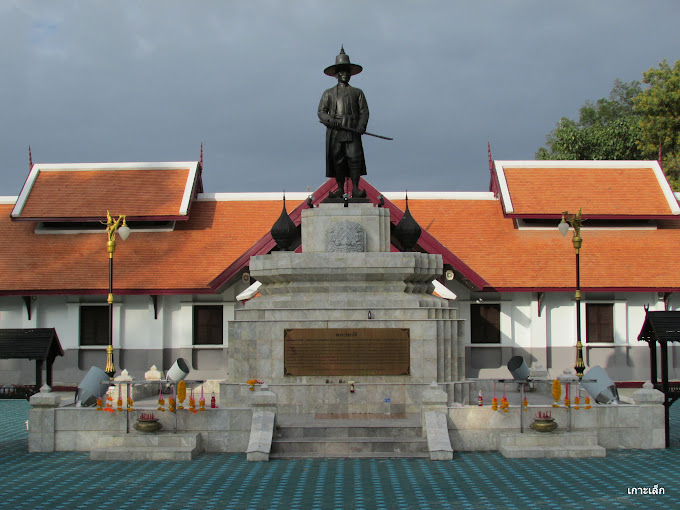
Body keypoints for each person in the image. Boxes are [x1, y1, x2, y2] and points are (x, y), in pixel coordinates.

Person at [318, 47, 369, 198]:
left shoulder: (357, 92)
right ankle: (340, 187)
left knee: (354, 158)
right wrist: (331, 120)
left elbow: (364, 111)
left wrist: (361, 126)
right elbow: (321, 111)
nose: (344, 74)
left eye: (347, 72)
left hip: (352, 129)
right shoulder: (329, 93)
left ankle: (355, 188)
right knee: (338, 159)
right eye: (341, 72)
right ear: (336, 74)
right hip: (336, 130)